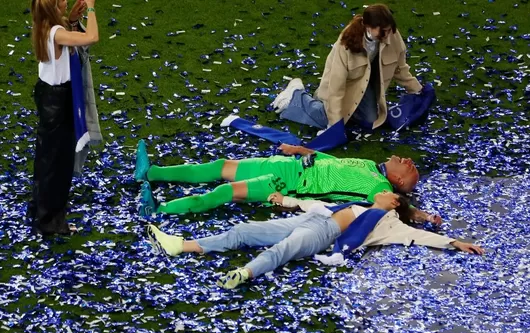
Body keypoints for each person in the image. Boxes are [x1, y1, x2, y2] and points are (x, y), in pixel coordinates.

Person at [146, 191, 484, 289]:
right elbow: (316, 205)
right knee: (244, 230)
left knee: (283, 250)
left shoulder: (389, 222)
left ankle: (244, 274)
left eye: (386, 192)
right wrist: (287, 202)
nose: (380, 191)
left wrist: (455, 242)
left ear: (394, 201)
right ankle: (180, 245)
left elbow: (418, 235)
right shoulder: (360, 205)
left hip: (325, 234)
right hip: (313, 218)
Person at [135, 139, 421, 216]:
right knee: (222, 165)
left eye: (410, 169)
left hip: (289, 184)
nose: (408, 161)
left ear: (398, 182)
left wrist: (420, 216)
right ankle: (152, 173)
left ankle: (160, 209)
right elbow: (331, 161)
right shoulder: (370, 164)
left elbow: (394, 205)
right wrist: (300, 150)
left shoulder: (379, 187)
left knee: (226, 190)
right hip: (289, 164)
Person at [270, 3, 423, 131]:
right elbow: (336, 87)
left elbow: (400, 67)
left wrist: (418, 91)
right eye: (383, 31)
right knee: (326, 119)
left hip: (365, 84)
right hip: (341, 85)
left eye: (390, 30)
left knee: (370, 120)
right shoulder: (346, 43)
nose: (388, 34)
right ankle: (295, 96)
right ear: (369, 27)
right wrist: (334, 125)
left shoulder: (391, 35)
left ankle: (348, 111)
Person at [28, 0, 99, 235]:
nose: (66, 1)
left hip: (47, 95)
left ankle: (39, 209)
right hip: (59, 101)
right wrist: (90, 8)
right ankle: (51, 222)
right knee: (59, 164)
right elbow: (92, 37)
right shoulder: (57, 33)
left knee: (46, 158)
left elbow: (62, 41)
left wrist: (71, 20)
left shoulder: (43, 26)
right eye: (61, 1)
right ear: (53, 7)